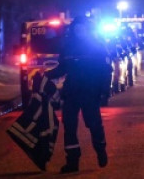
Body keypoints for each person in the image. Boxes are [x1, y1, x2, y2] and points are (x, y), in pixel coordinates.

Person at [46, 16, 112, 173]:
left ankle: (100, 150)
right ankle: (72, 161)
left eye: (81, 28)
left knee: (94, 125)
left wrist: (104, 92)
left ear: (87, 30)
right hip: (72, 92)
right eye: (76, 29)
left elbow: (106, 71)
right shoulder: (68, 47)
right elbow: (63, 68)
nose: (79, 31)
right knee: (69, 127)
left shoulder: (97, 47)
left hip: (90, 92)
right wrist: (46, 75)